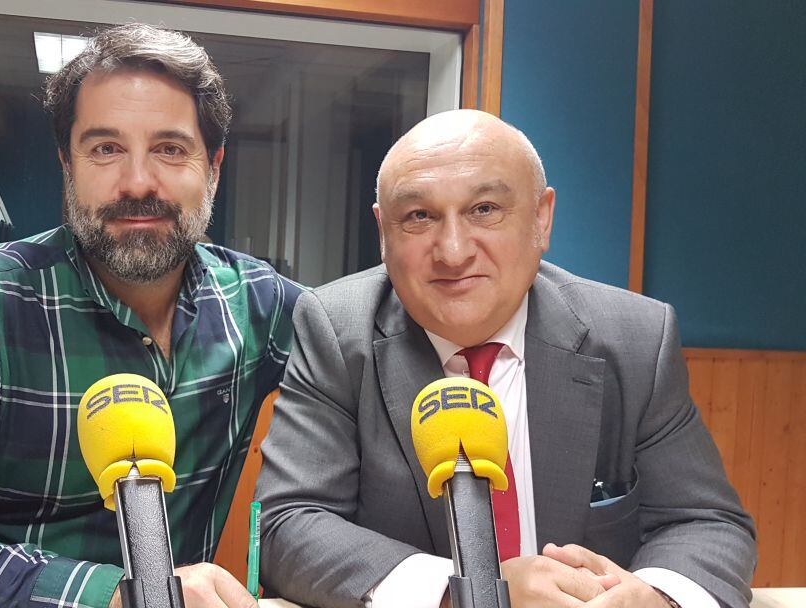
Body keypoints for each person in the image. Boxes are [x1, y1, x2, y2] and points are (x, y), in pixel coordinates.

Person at [0, 24, 300, 608]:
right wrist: (116, 597)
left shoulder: (258, 304)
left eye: (170, 149)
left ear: (213, 167)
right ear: (68, 164)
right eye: (105, 148)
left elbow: (366, 332)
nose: (138, 182)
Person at [255, 110, 756, 608]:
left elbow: (705, 522)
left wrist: (656, 597)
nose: (452, 252)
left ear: (541, 218)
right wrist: (471, 593)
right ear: (383, 232)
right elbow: (289, 524)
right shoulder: (336, 332)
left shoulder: (636, 338)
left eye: (485, 209)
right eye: (419, 216)